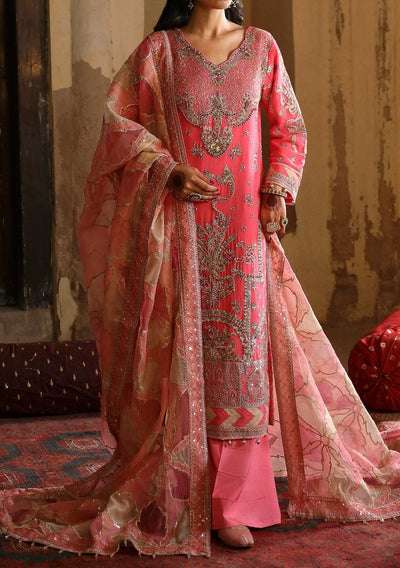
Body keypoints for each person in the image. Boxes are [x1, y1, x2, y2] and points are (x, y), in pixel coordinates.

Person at [2, 0, 400, 557]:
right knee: (185, 356)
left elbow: (290, 127)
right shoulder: (158, 53)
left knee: (243, 360)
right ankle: (184, 490)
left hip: (243, 234)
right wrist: (168, 169)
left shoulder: (261, 48)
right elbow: (119, 125)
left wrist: (278, 189)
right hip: (179, 232)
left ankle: (235, 504)